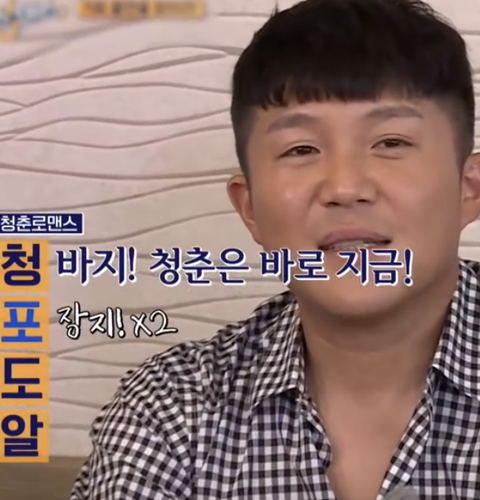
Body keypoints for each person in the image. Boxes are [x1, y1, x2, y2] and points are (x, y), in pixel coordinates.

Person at [70, 0, 480, 499]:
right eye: (301, 149)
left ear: (469, 187)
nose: (345, 187)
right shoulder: (172, 410)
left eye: (390, 142)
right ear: (250, 210)